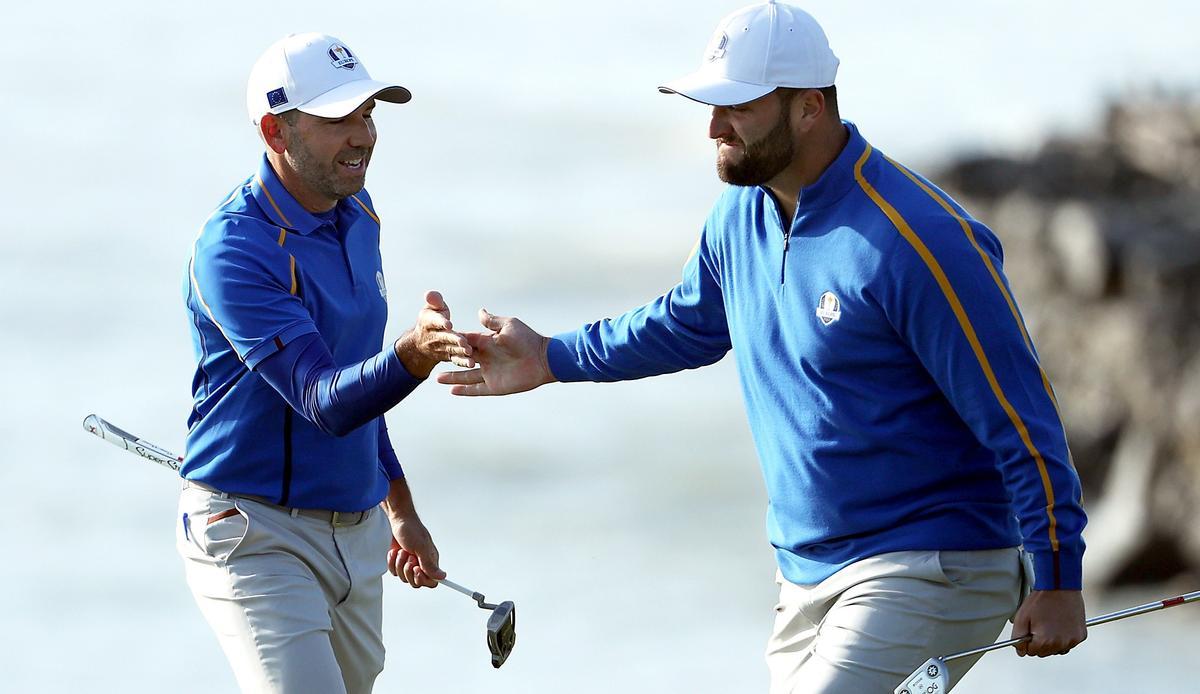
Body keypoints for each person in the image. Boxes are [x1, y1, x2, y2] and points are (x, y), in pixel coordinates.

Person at [438, 3, 1088, 692]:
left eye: (738, 107)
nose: (714, 127)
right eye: (711, 106)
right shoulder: (741, 214)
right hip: (804, 576)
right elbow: (686, 324)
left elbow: (1021, 417)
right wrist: (550, 357)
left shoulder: (919, 241)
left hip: (931, 563)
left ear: (809, 108)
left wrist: (1057, 576)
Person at [179, 33, 473, 693]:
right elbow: (323, 399)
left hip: (357, 532)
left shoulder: (358, 213)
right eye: (339, 119)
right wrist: (414, 355)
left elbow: (355, 375)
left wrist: (400, 508)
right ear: (274, 131)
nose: (363, 136)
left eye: (367, 114)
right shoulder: (235, 250)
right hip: (253, 533)